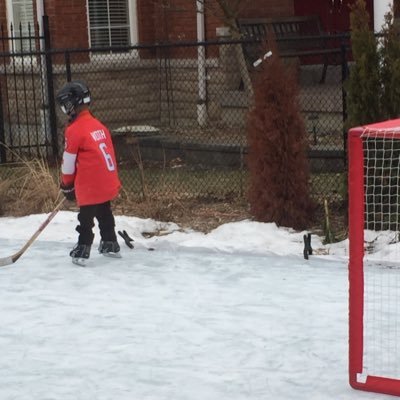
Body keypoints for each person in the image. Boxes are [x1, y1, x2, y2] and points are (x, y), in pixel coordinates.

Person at [56, 80, 121, 265]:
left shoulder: (74, 130)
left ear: (71, 105)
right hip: (106, 181)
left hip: (90, 185)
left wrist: (67, 185)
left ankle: (83, 248)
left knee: (85, 218)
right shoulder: (99, 126)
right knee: (104, 212)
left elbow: (68, 163)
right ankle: (110, 242)